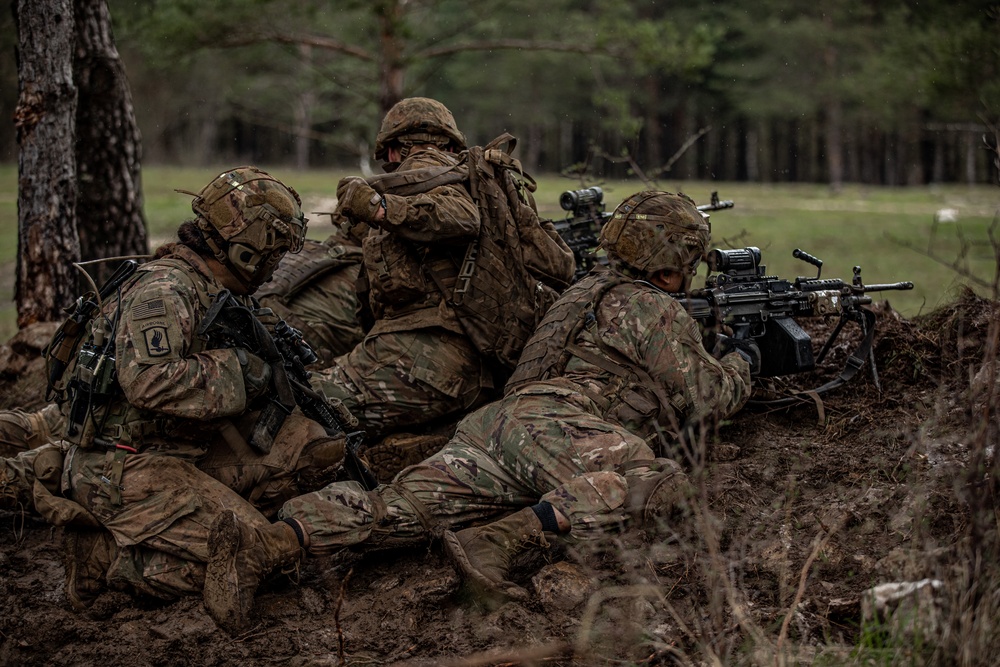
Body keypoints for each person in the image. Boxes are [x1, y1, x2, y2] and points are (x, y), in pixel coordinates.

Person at [202, 190, 754, 631]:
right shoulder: (651, 306)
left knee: (398, 509)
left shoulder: (584, 292)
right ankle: (503, 539)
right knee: (656, 481)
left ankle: (270, 543)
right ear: (670, 265)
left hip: (498, 425)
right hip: (559, 429)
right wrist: (742, 360)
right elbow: (712, 397)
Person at [37, 167, 342, 625]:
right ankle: (103, 557)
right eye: (273, 252)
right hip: (122, 466)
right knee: (260, 556)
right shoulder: (165, 289)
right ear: (247, 247)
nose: (275, 265)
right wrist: (243, 370)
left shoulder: (210, 288)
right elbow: (149, 380)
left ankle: (172, 525)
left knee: (306, 447)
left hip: (179, 447)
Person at [309, 97, 573, 442]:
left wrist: (380, 208)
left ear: (392, 151)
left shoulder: (424, 168)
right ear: (451, 142)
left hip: (428, 359)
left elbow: (462, 218)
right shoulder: (474, 180)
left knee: (301, 403)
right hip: (469, 366)